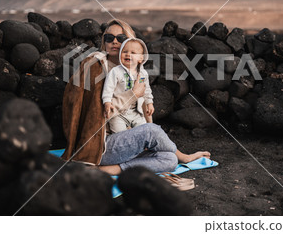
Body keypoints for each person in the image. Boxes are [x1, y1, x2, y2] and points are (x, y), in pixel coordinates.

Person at [61, 19, 210, 175]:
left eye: (121, 38)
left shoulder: (135, 70)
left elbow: (144, 108)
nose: (115, 42)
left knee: (169, 159)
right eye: (109, 38)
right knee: (153, 132)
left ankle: (109, 170)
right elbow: (95, 116)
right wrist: (132, 95)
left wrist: (144, 137)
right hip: (101, 144)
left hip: (128, 139)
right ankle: (185, 158)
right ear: (104, 42)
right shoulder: (94, 67)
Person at [102, 37, 154, 133]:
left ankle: (142, 145)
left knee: (144, 131)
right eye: (124, 51)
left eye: (133, 53)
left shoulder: (143, 74)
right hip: (119, 113)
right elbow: (108, 88)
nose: (128, 54)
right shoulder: (116, 72)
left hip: (136, 112)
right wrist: (107, 102)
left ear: (141, 58)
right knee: (119, 132)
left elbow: (146, 90)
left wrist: (149, 103)